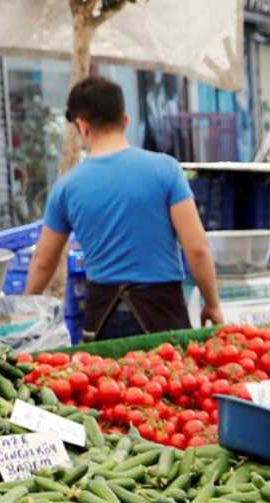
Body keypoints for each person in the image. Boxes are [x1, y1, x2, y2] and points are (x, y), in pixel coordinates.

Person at [26, 77, 224, 339]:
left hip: (104, 322)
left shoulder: (66, 188)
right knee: (171, 379)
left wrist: (25, 309)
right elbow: (197, 249)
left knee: (112, 379)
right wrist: (212, 303)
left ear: (82, 127)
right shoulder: (165, 169)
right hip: (164, 315)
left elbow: (43, 262)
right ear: (125, 120)